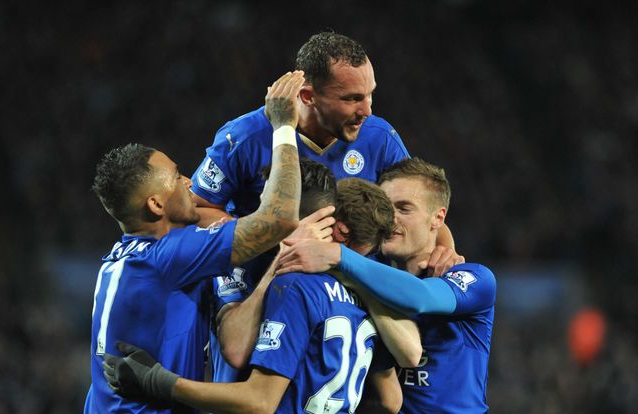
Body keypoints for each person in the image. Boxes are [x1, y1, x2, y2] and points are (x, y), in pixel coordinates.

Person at [84, 70, 305, 413]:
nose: (189, 181)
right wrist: (284, 127)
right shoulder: (169, 256)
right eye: (176, 177)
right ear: (155, 205)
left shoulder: (120, 259)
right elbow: (280, 218)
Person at [102, 178, 421, 413]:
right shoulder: (370, 294)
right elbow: (392, 400)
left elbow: (258, 397)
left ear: (333, 229)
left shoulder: (294, 284)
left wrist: (160, 382)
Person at [191, 30, 460, 276]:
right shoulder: (246, 136)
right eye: (352, 98)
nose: (367, 110)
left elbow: (422, 212)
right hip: (267, 280)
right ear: (308, 96)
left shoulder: (379, 137)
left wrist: (444, 248)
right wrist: (268, 233)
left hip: (356, 289)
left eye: (370, 95)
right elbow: (198, 210)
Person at [276, 158, 497, 414]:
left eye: (404, 209)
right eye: (386, 208)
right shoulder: (356, 279)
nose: (390, 220)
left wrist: (339, 256)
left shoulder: (475, 279)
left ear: (438, 217)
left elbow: (421, 297)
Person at [208, 158, 338, 383]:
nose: (257, 215)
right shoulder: (236, 257)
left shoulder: (343, 269)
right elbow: (235, 349)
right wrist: (284, 256)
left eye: (265, 207)